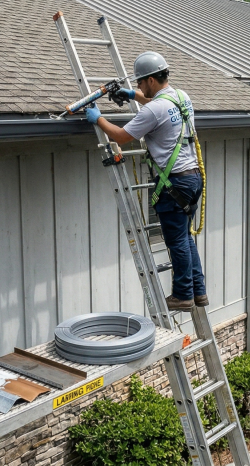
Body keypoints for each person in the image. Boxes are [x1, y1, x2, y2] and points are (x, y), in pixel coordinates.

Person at [86, 51, 205, 311]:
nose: (139, 87)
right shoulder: (181, 97)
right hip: (192, 179)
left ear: (151, 80)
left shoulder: (154, 110)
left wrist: (99, 119)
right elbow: (155, 105)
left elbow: (121, 136)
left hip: (174, 185)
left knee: (176, 242)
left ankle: (183, 295)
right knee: (185, 237)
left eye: (139, 83)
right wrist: (130, 95)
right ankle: (198, 291)